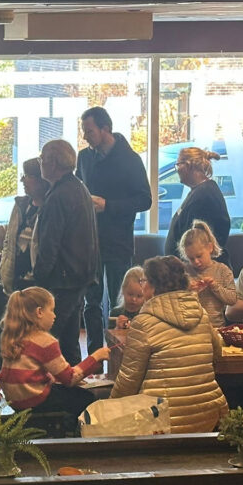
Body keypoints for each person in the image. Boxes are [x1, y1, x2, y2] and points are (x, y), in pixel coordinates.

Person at [110, 256, 228, 433]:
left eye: (144, 281)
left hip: (160, 421)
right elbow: (217, 354)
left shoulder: (143, 323)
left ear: (152, 286)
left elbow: (128, 381)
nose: (143, 286)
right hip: (206, 416)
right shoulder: (202, 315)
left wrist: (109, 409)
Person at [76, 106, 152, 356]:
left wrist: (108, 205)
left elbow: (145, 200)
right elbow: (77, 189)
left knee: (123, 300)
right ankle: (95, 356)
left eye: (89, 131)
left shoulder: (130, 160)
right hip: (90, 240)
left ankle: (120, 354)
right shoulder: (84, 158)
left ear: (105, 129)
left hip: (118, 240)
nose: (85, 136)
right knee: (91, 301)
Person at [33, 139, 99, 365]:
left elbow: (49, 244)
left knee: (46, 343)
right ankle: (72, 382)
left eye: (42, 159)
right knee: (69, 344)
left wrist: (38, 281)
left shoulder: (59, 196)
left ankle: (51, 385)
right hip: (78, 277)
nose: (40, 163)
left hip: (62, 280)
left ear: (53, 163)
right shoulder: (79, 187)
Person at [0, 287, 109, 417]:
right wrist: (96, 357)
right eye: (51, 310)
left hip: (15, 401)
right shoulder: (44, 341)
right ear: (39, 312)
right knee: (87, 398)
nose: (54, 316)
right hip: (36, 400)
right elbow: (69, 378)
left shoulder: (13, 336)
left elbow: (31, 372)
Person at [164, 146, 231, 267]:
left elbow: (197, 240)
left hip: (200, 271)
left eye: (178, 165)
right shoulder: (199, 192)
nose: (177, 170)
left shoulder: (204, 196)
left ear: (188, 165)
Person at [0, 157, 50, 294]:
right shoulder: (20, 206)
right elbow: (9, 241)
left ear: (41, 180)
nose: (22, 180)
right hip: (16, 281)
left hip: (40, 285)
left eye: (26, 175)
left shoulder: (51, 207)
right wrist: (4, 272)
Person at [179, 219, 236, 327]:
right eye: (191, 259)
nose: (196, 261)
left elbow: (232, 299)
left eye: (199, 256)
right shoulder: (184, 272)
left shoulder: (222, 270)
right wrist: (188, 290)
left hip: (216, 326)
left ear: (210, 247)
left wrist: (214, 286)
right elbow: (175, 300)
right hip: (190, 327)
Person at [109, 265, 146, 330]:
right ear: (123, 290)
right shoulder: (115, 313)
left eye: (139, 296)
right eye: (130, 294)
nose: (134, 299)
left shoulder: (145, 314)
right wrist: (118, 327)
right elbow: (109, 335)